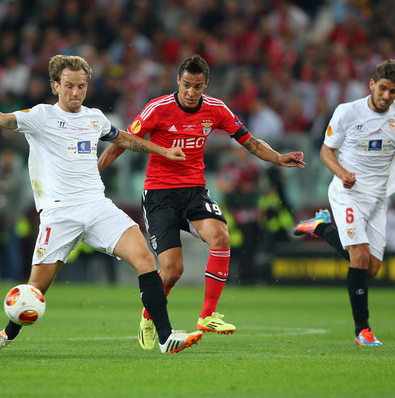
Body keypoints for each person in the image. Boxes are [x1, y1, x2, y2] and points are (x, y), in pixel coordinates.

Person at [0, 54, 203, 354]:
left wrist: (163, 151)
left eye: (82, 86)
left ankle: (165, 338)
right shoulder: (40, 116)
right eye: (69, 86)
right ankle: (8, 333)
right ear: (55, 86)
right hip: (59, 213)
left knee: (144, 258)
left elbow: (124, 139)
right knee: (36, 290)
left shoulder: (95, 118)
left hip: (97, 206)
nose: (75, 93)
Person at [98, 55, 306, 350]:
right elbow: (122, 142)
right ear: (178, 82)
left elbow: (250, 141)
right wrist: (94, 175)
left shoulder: (216, 109)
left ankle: (207, 315)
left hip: (195, 190)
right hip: (160, 195)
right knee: (172, 271)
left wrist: (278, 158)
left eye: (197, 86)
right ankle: (149, 315)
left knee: (221, 236)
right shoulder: (158, 109)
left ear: (205, 84)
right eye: (186, 85)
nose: (191, 92)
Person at [293, 59, 395, 346]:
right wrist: (342, 173)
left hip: (378, 199)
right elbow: (326, 151)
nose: (387, 96)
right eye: (383, 88)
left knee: (371, 269)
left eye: (394, 91)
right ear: (372, 84)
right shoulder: (347, 112)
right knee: (359, 257)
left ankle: (321, 227)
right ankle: (362, 330)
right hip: (346, 192)